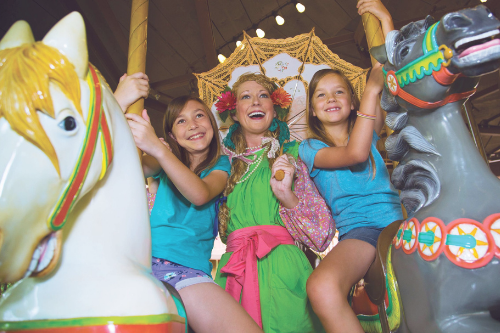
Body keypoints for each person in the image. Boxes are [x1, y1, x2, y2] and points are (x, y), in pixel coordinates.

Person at [119, 82, 262, 331]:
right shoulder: (161, 158)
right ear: (172, 136)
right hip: (147, 261)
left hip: (188, 270)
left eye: (199, 116)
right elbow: (126, 165)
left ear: (212, 125)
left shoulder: (220, 164)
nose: (193, 124)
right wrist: (121, 105)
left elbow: (200, 194)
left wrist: (159, 150)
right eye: (181, 121)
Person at [299, 1, 403, 332]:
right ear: (313, 110)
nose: (331, 99)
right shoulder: (310, 148)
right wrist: (371, 91)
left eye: (339, 91)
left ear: (353, 101)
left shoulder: (369, 129)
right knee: (321, 286)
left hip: (400, 219)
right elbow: (355, 155)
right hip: (362, 233)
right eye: (321, 95)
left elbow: (387, 75)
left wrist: (383, 21)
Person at [215, 73, 335, 333]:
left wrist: (286, 196)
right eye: (245, 97)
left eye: (263, 96)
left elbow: (321, 234)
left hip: (284, 269)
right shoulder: (221, 166)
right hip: (234, 271)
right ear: (234, 112)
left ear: (275, 108)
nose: (256, 102)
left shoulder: (294, 155)